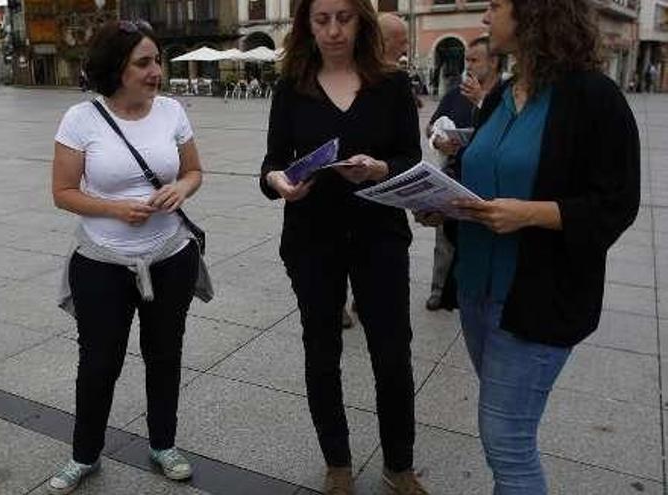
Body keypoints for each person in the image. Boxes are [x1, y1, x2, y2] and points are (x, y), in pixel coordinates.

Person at [417, 0, 639, 492]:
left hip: (539, 298)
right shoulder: (500, 98)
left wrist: (531, 214)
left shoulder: (593, 97)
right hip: (477, 290)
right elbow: (482, 174)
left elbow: (616, 203)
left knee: (508, 443)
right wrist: (443, 205)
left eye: (496, 6)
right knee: (508, 434)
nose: (484, 18)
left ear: (536, 13)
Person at [259, 0, 426, 492]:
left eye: (345, 18)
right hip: (312, 237)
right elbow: (272, 164)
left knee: (393, 353)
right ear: (306, 25)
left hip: (380, 237)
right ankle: (338, 464)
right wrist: (279, 182)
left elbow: (410, 158)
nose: (333, 30)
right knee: (322, 348)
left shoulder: (391, 83)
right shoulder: (291, 87)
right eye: (322, 19)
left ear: (362, 22)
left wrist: (380, 169)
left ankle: (399, 466)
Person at [49, 19, 206, 495]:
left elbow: (195, 171)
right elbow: (62, 192)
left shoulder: (173, 111)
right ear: (117, 68)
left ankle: (164, 444)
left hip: (170, 255)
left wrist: (180, 187)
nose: (156, 70)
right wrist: (115, 209)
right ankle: (84, 454)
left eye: (156, 60)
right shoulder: (81, 119)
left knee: (165, 355)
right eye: (144, 62)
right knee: (99, 362)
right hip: (102, 262)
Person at [423, 36, 500, 311]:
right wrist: (437, 139)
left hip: (486, 181)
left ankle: (474, 290)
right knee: (444, 237)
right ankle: (439, 289)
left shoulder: (502, 96)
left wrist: (481, 101)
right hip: (453, 173)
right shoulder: (455, 93)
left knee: (478, 238)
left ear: (493, 62)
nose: (468, 65)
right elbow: (431, 127)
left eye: (474, 60)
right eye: (466, 59)